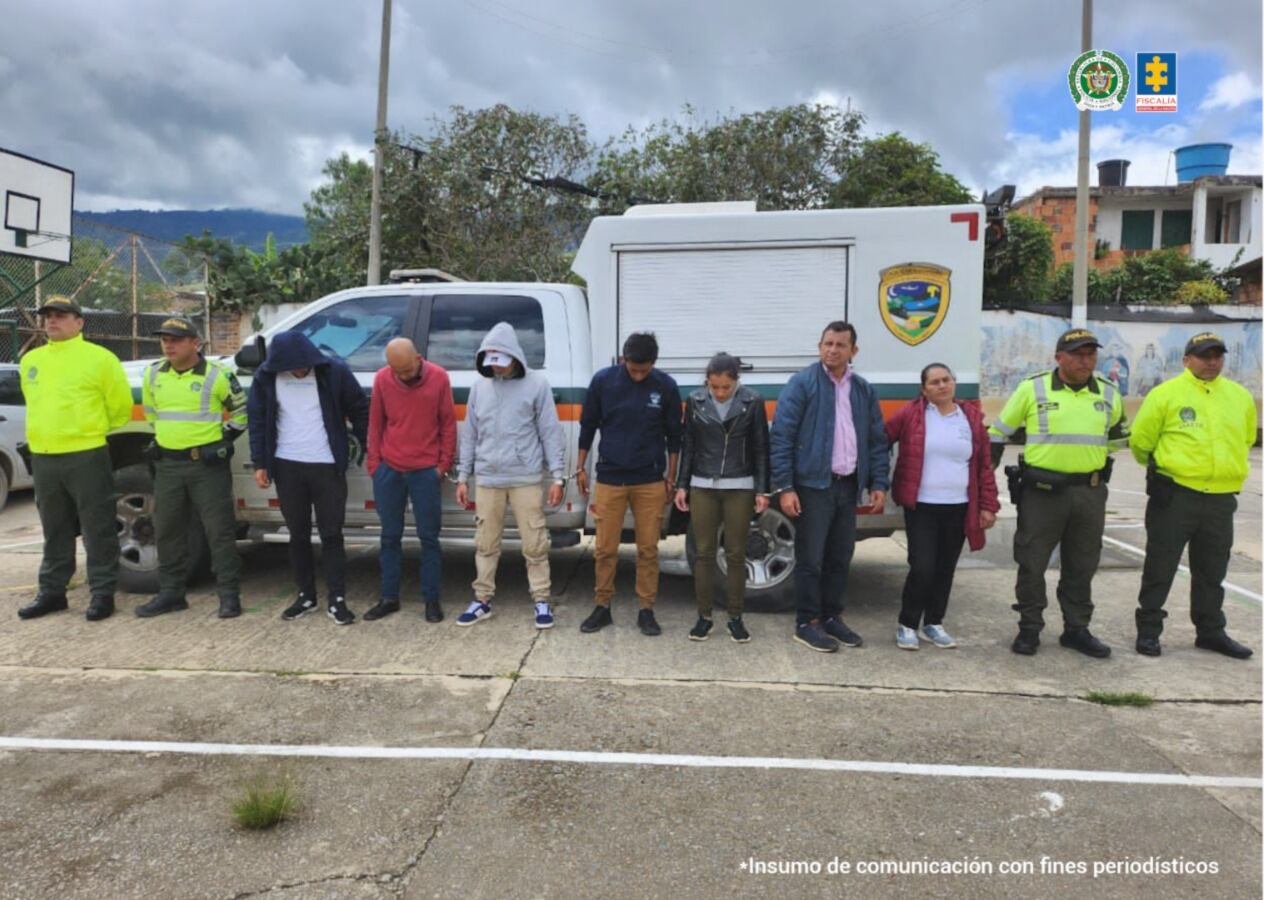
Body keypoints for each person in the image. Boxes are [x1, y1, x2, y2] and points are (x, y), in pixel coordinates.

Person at [988, 328, 1128, 658]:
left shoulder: (1109, 394)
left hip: (1089, 494)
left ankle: (1077, 629)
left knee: (1082, 564)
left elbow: (1118, 439)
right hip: (1042, 495)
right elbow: (998, 434)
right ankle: (1029, 628)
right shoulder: (1032, 388)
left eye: (1090, 354)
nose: (1085, 360)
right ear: (1059, 358)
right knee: (1032, 563)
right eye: (1078, 354)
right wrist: (985, 482)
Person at [1130, 332, 1256, 660]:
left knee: (1212, 570)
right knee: (1161, 565)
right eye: (1204, 355)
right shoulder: (1166, 395)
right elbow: (1141, 442)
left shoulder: (1239, 396)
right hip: (1175, 496)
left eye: (1217, 355)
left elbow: (1244, 439)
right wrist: (1172, 469)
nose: (1212, 362)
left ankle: (1210, 631)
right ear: (1187, 360)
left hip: (1220, 499)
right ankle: (1148, 631)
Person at [770, 321, 889, 653]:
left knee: (841, 556)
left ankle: (833, 617)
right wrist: (785, 487)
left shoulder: (863, 390)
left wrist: (878, 482)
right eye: (827, 344)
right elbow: (781, 436)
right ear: (819, 346)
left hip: (847, 486)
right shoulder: (802, 384)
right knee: (811, 559)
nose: (832, 350)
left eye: (840, 345)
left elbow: (876, 441)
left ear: (854, 351)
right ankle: (807, 623)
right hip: (812, 487)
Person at [17, 296, 132, 622]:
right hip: (44, 456)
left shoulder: (100, 359)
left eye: (61, 316)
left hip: (86, 453)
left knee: (97, 528)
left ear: (79, 322)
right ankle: (52, 592)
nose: (52, 321)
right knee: (55, 528)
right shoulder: (31, 360)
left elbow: (120, 408)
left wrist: (86, 431)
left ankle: (102, 594)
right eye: (48, 316)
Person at [247, 331, 369, 626]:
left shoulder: (333, 372)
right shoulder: (267, 377)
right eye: (292, 367)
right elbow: (257, 419)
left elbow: (360, 409)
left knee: (331, 534)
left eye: (303, 366)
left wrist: (368, 446)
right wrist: (260, 462)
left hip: (326, 466)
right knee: (297, 535)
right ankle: (306, 596)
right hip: (287, 465)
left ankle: (337, 599)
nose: (299, 371)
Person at [455, 322, 566, 629]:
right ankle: (482, 599)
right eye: (492, 364)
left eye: (501, 364)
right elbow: (470, 434)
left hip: (526, 477)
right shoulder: (480, 387)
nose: (497, 370)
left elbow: (549, 431)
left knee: (535, 542)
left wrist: (558, 476)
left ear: (514, 357)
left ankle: (541, 600)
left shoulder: (537, 384)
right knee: (486, 542)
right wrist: (464, 475)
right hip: (488, 477)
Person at [135, 317, 248, 619]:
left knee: (219, 532)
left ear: (195, 343)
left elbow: (242, 409)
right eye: (164, 339)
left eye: (176, 339)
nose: (168, 345)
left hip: (206, 468)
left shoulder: (217, 375)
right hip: (168, 465)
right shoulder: (153, 374)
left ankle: (229, 595)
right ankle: (171, 593)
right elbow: (151, 411)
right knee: (167, 531)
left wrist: (224, 439)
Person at [884, 363, 999, 650]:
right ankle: (907, 624)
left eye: (946, 380)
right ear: (924, 389)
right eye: (934, 382)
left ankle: (934, 623)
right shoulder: (911, 414)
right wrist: (876, 478)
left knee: (945, 569)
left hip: (959, 506)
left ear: (954, 383)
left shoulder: (970, 417)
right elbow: (881, 438)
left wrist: (988, 505)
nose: (941, 386)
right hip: (921, 505)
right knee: (922, 567)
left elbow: (984, 464)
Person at [576, 332, 682, 636]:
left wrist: (670, 478)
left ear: (653, 364)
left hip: (649, 479)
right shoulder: (603, 382)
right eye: (633, 369)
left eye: (644, 370)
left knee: (648, 548)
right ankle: (602, 605)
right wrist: (580, 466)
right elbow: (588, 425)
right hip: (610, 477)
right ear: (623, 359)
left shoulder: (665, 386)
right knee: (605, 548)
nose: (638, 375)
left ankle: (646, 609)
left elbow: (675, 437)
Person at [673, 353, 769, 643]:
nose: (720, 392)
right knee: (703, 553)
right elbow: (688, 444)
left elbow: (761, 447)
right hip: (702, 483)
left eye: (726, 387)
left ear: (736, 381)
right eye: (714, 386)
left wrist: (763, 490)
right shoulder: (695, 401)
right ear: (708, 381)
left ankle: (735, 617)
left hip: (740, 484)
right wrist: (682, 484)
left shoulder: (753, 401)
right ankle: (704, 617)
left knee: (736, 554)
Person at [365, 337, 456, 623]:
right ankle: (388, 597)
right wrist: (375, 465)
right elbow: (376, 422)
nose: (403, 377)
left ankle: (431, 599)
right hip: (389, 470)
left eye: (406, 370)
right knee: (389, 537)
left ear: (418, 358)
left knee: (429, 538)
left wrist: (441, 466)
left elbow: (448, 424)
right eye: (397, 372)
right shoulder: (382, 379)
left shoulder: (439, 378)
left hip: (425, 471)